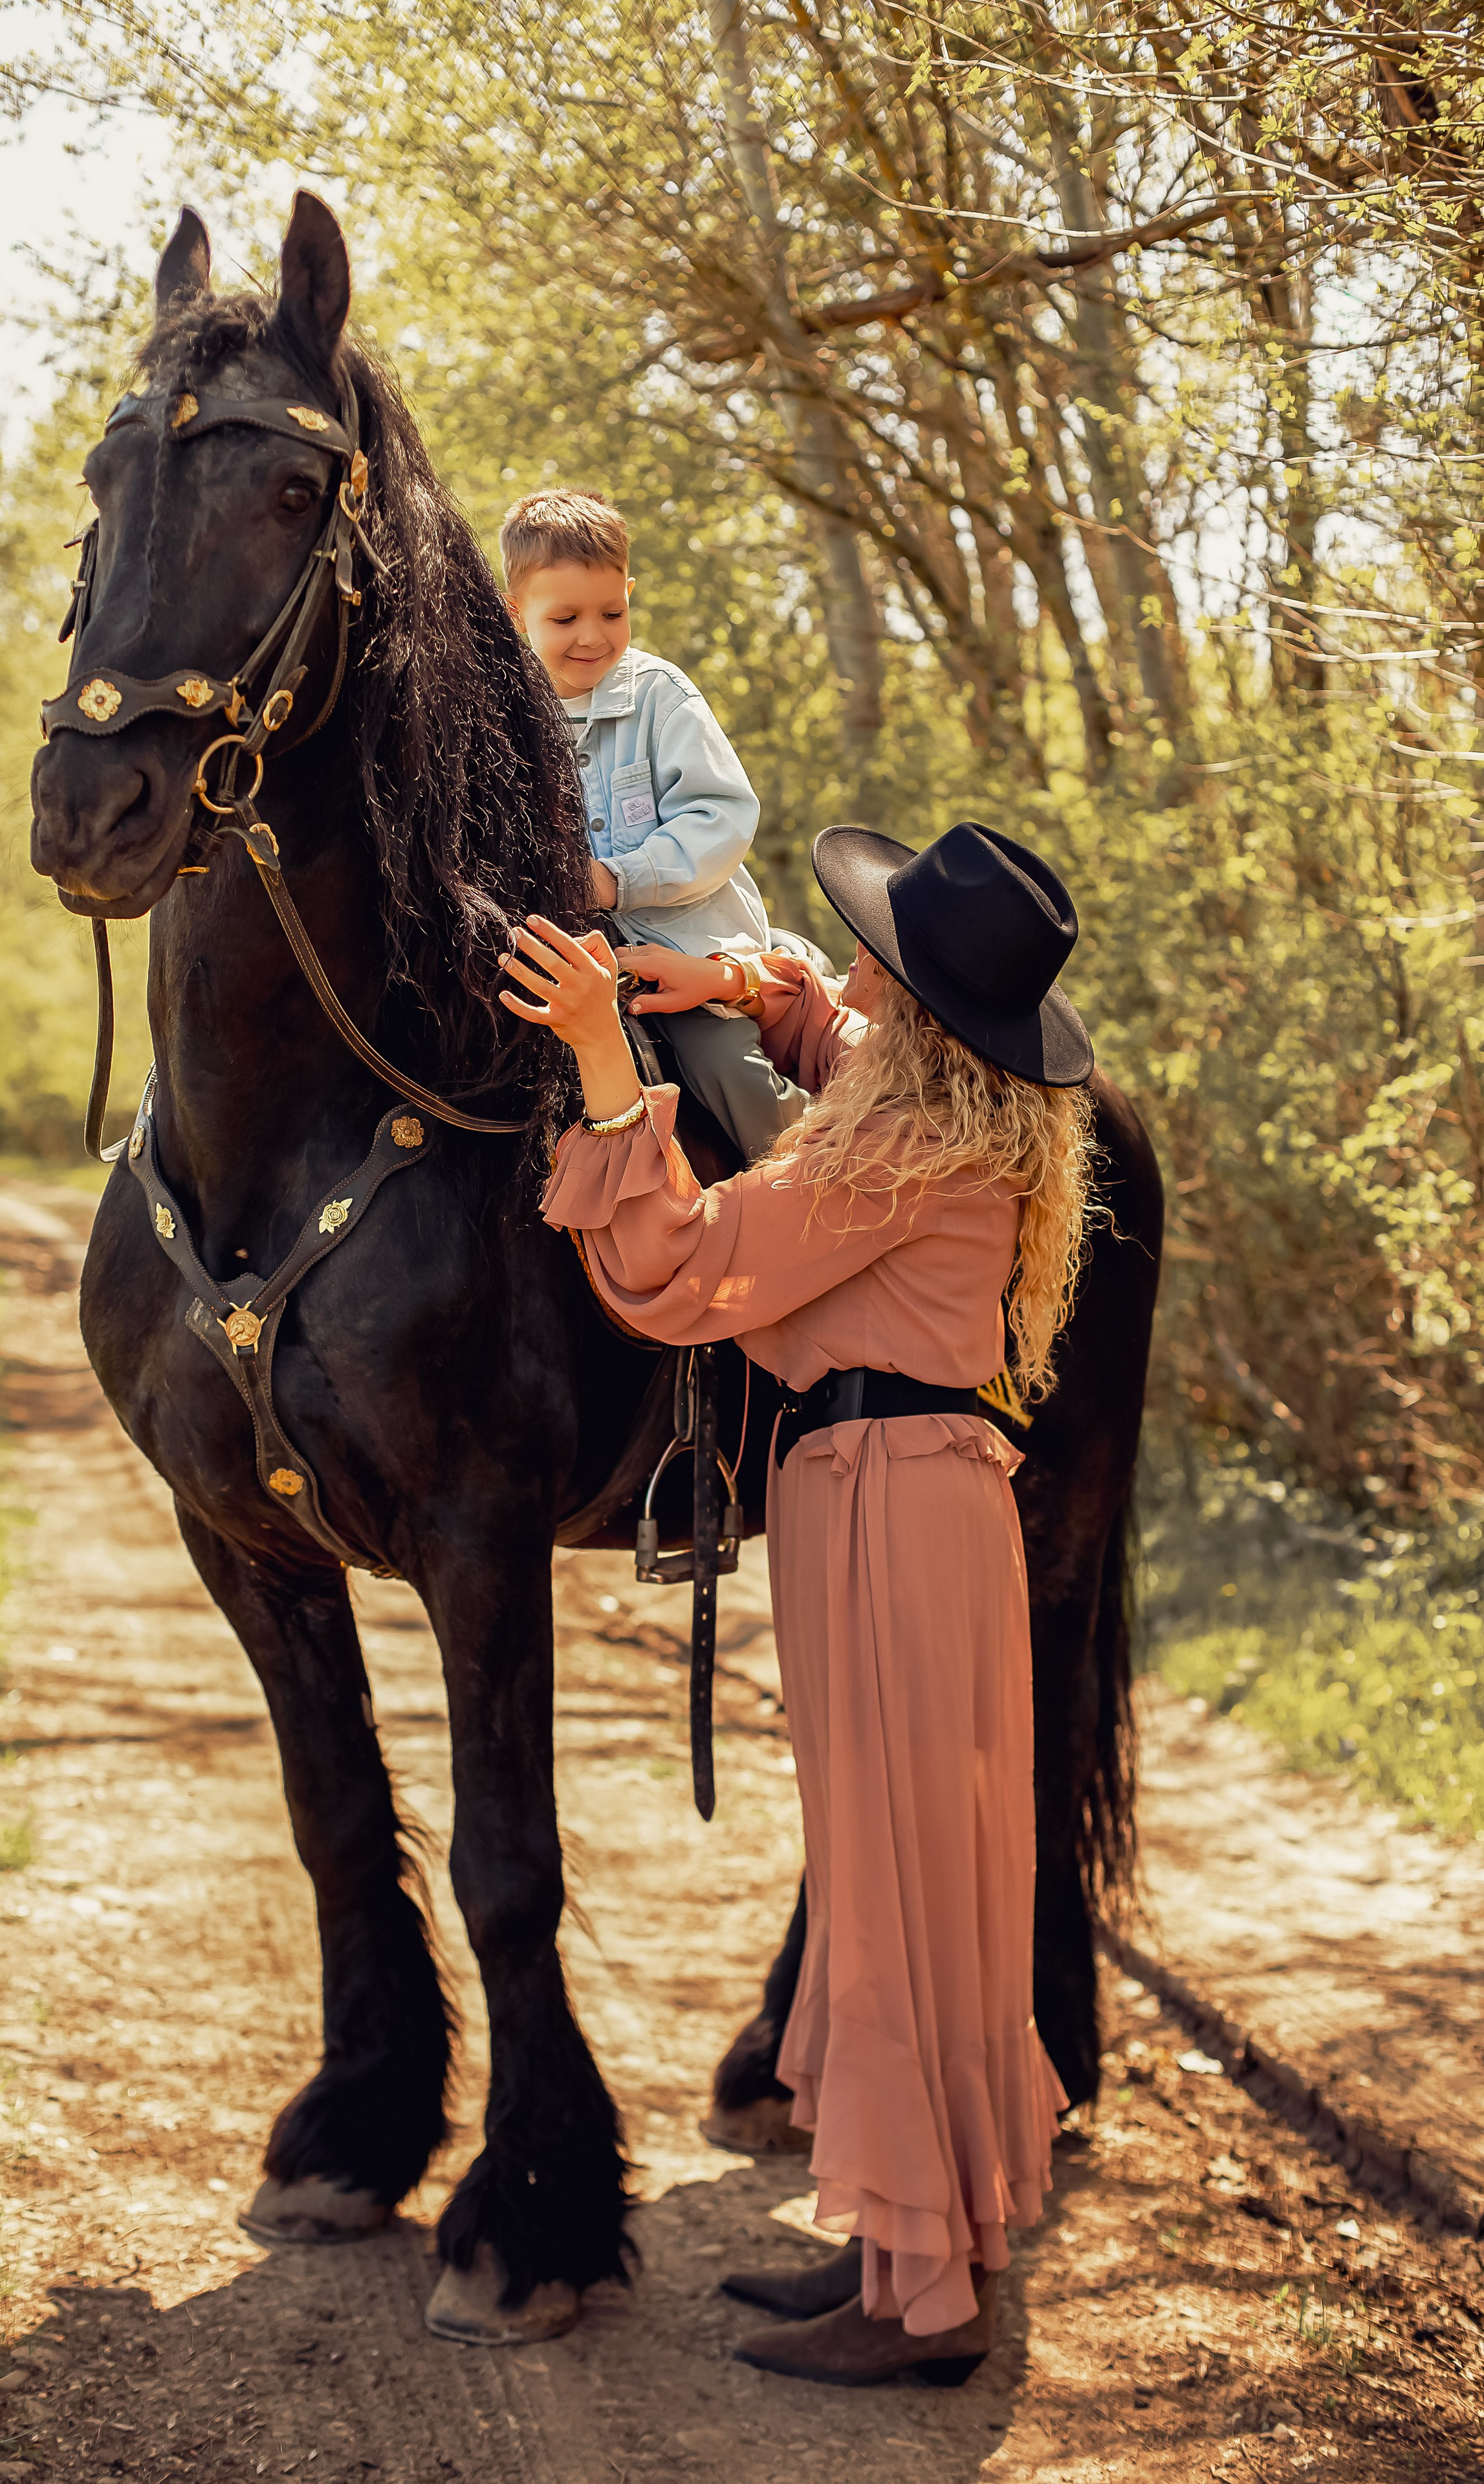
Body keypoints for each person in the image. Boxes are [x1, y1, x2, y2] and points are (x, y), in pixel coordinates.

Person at [499, 819, 1096, 2387]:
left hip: (879, 1512)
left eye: (866, 955)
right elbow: (822, 1035)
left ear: (915, 1001)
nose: (842, 967)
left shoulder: (892, 1150)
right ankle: (917, 2241)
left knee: (894, 1895)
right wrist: (743, 984)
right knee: (921, 1885)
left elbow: (687, 1265)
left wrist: (601, 1059)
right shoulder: (946, 1113)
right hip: (913, 1504)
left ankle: (924, 2304)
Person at [499, 487, 805, 1161]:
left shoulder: (660, 697)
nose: (592, 635)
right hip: (571, 960)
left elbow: (720, 817)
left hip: (682, 953)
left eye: (612, 612)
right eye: (565, 617)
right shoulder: (501, 719)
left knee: (724, 1064)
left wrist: (618, 878)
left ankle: (812, 1185)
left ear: (631, 593)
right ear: (517, 612)